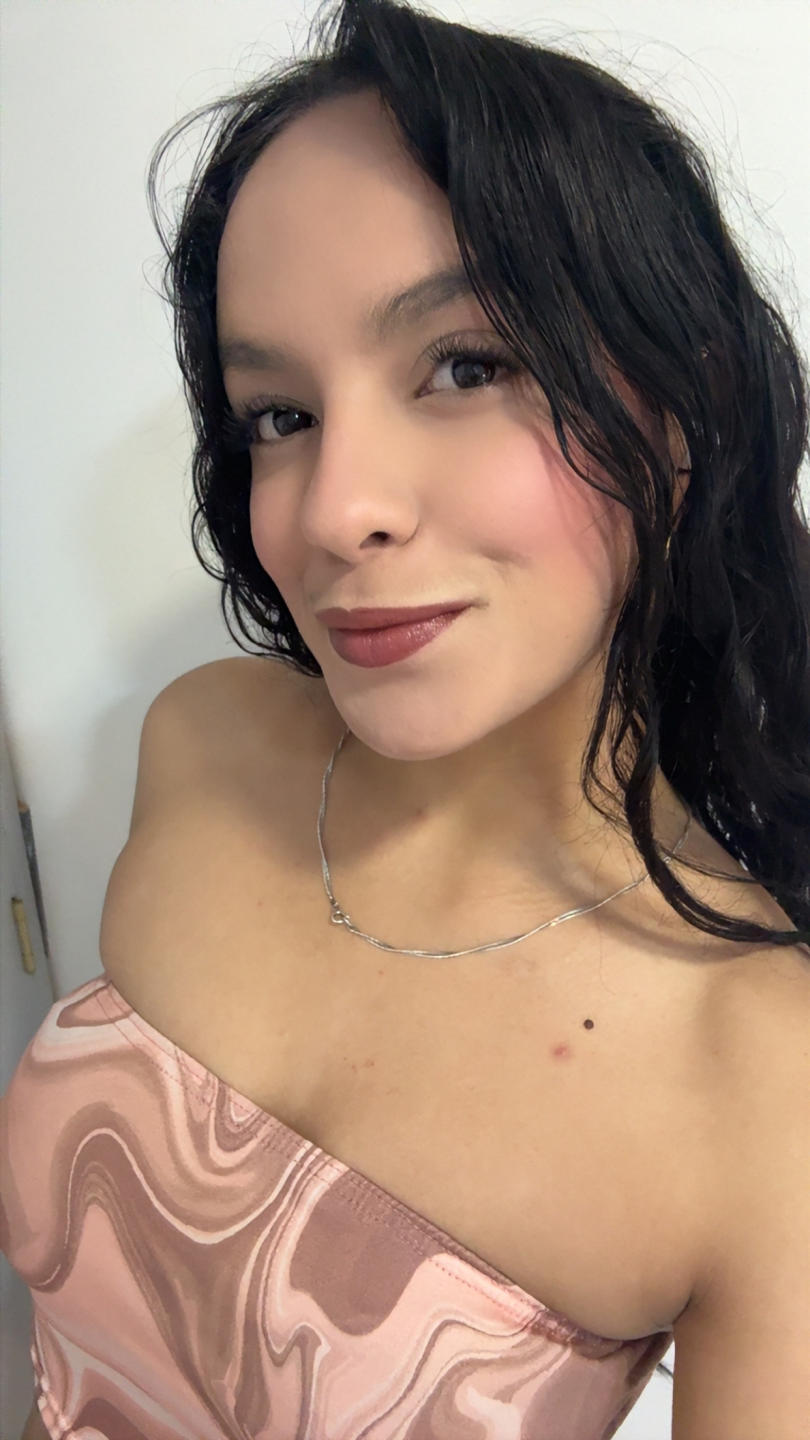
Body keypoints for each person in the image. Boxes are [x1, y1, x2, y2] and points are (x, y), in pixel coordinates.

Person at [4, 2, 809, 1436]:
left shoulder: (760, 1076)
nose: (335, 511)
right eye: (278, 415)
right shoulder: (203, 744)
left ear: (681, 409)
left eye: (465, 366)